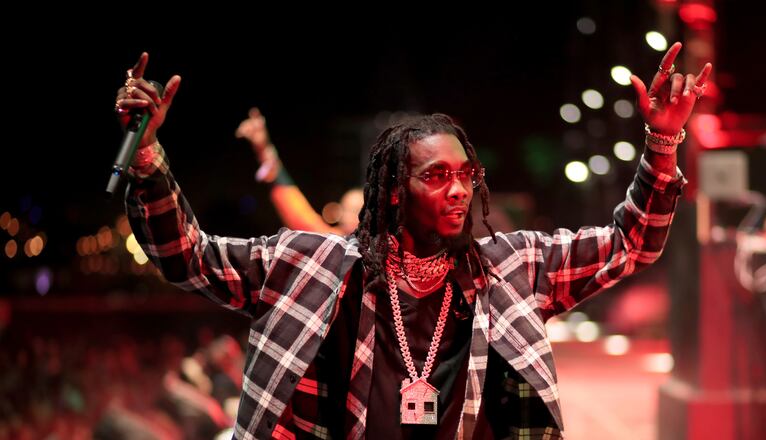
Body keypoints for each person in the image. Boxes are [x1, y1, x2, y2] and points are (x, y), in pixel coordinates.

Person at [114, 43, 710, 438]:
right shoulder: (313, 266)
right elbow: (187, 255)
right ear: (395, 192)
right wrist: (146, 157)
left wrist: (661, 146)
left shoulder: (510, 267)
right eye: (436, 176)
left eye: (466, 176)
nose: (458, 191)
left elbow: (629, 245)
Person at [234, 107, 364, 235]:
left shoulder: (380, 250)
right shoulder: (328, 243)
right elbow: (293, 206)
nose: (347, 216)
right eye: (346, 210)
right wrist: (263, 148)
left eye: (356, 210)